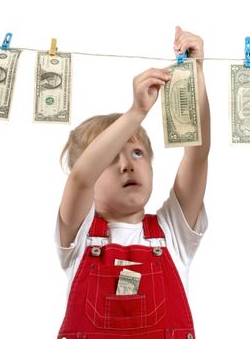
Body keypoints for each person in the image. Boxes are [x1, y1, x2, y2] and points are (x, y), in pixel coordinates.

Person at [55, 26, 210, 339]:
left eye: (137, 152)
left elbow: (198, 154)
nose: (126, 165)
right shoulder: (77, 236)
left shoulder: (173, 231)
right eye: (111, 156)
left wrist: (194, 75)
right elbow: (81, 179)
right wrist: (137, 113)